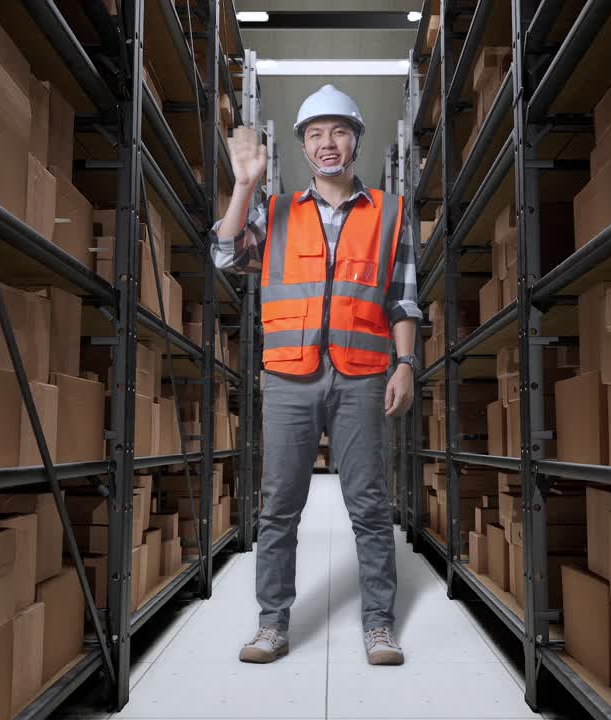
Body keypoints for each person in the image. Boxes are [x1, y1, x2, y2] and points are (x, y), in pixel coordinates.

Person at [213, 85, 422, 666]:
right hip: (289, 376)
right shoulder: (275, 209)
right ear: (304, 147)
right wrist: (245, 183)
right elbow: (225, 256)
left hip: (362, 375)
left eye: (338, 132)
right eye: (314, 134)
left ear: (356, 138)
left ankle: (379, 625)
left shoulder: (390, 212)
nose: (327, 144)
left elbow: (404, 299)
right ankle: (272, 625)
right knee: (278, 507)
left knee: (370, 506)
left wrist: (405, 364)